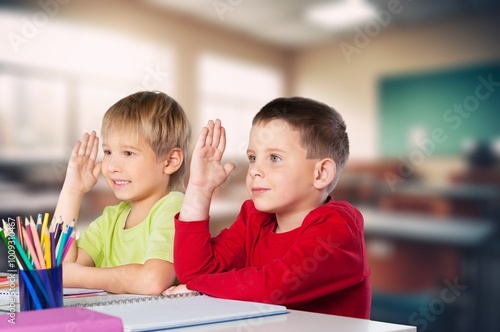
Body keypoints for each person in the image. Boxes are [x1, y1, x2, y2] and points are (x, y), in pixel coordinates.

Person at [163, 97, 371, 318]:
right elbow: (193, 272)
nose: (254, 170)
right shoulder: (255, 218)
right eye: (252, 157)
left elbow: (275, 287)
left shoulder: (338, 228)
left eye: (274, 157)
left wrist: (199, 287)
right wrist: (199, 188)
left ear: (320, 173)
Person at [54, 91, 192, 295]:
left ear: (170, 161)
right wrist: (73, 190)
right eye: (108, 152)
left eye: (128, 153)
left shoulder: (175, 207)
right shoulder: (111, 218)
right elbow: (58, 265)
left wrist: (77, 276)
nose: (111, 167)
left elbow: (152, 281)